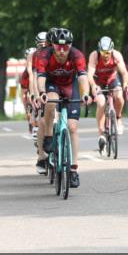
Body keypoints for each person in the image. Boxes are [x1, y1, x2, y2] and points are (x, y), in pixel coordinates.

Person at [33, 27, 92, 187]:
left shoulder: (77, 55)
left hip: (70, 86)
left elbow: (83, 78)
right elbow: (40, 78)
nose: (61, 51)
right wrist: (42, 92)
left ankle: (73, 170)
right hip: (52, 84)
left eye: (65, 47)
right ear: (52, 45)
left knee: (72, 127)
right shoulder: (44, 54)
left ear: (70, 45)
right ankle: (49, 137)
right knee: (51, 101)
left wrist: (86, 93)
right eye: (58, 47)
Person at [87, 36, 128, 146]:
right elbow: (90, 74)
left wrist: (125, 84)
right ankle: (101, 132)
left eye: (108, 53)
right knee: (101, 102)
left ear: (111, 50)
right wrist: (93, 86)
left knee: (119, 96)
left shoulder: (116, 55)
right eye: (103, 53)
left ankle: (118, 118)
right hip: (98, 81)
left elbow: (124, 73)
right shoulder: (94, 56)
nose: (105, 55)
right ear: (99, 50)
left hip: (112, 79)